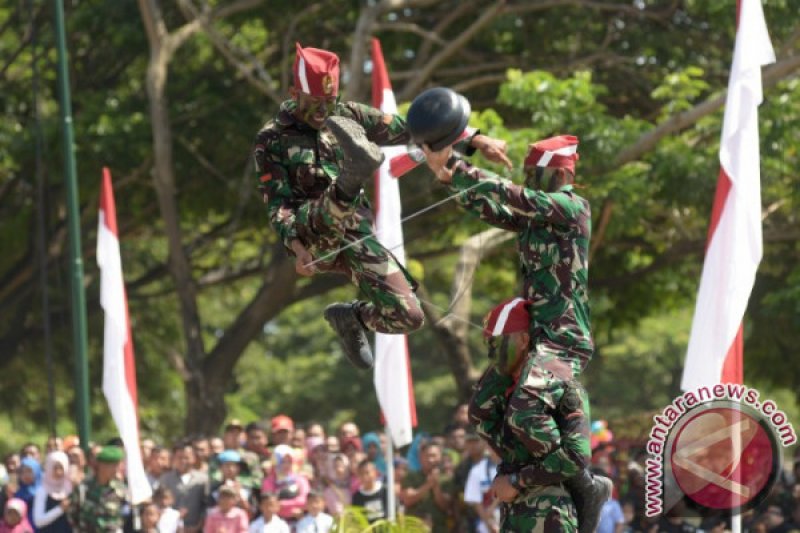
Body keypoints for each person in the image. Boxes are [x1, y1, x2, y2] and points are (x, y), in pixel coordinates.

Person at [253, 44, 508, 369]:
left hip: (356, 235)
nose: (321, 112)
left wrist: (476, 139)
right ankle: (353, 173)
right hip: (312, 233)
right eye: (313, 103)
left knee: (409, 315)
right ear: (293, 93)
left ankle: (350, 317)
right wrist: (295, 246)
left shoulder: (347, 116)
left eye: (328, 102)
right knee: (330, 202)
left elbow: (413, 129)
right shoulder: (271, 139)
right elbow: (278, 204)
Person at [423, 136, 612, 532]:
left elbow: (517, 196)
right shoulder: (537, 215)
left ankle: (582, 484)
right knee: (481, 408)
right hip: (533, 341)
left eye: (535, 174)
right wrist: (448, 175)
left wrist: (462, 168)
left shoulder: (570, 207)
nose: (529, 180)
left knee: (526, 407)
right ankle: (530, 473)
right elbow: (492, 207)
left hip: (563, 339)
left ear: (560, 173)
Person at [67, 445, 127, 533]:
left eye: (117, 466)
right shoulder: (83, 489)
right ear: (102, 465)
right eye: (113, 466)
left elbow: (122, 516)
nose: (116, 470)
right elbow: (72, 515)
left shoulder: (120, 490)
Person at [401, 441, 453, 531]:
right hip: (414, 528)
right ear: (420, 458)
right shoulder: (411, 477)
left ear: (440, 457)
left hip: (439, 528)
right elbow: (408, 500)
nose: (430, 460)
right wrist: (428, 485)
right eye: (427, 456)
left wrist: (436, 486)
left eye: (434, 456)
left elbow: (446, 506)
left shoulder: (447, 479)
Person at [159, 442, 209, 533]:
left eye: (186, 457)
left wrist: (198, 526)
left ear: (193, 458)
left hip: (195, 529)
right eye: (179, 458)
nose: (183, 461)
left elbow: (205, 506)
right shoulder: (166, 479)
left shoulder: (203, 479)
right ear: (174, 458)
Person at [32, 451, 73, 533]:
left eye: (61, 468)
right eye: (55, 468)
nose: (58, 472)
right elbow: (38, 521)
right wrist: (60, 509)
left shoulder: (70, 488)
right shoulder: (42, 491)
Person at [463, 448, 501, 533]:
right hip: (488, 524)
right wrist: (489, 525)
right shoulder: (477, 470)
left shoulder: (517, 467)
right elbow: (477, 502)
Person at [13, 458, 41, 529]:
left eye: (29, 471)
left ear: (36, 471)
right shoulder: (16, 493)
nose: (26, 475)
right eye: (22, 472)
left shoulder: (44, 491)